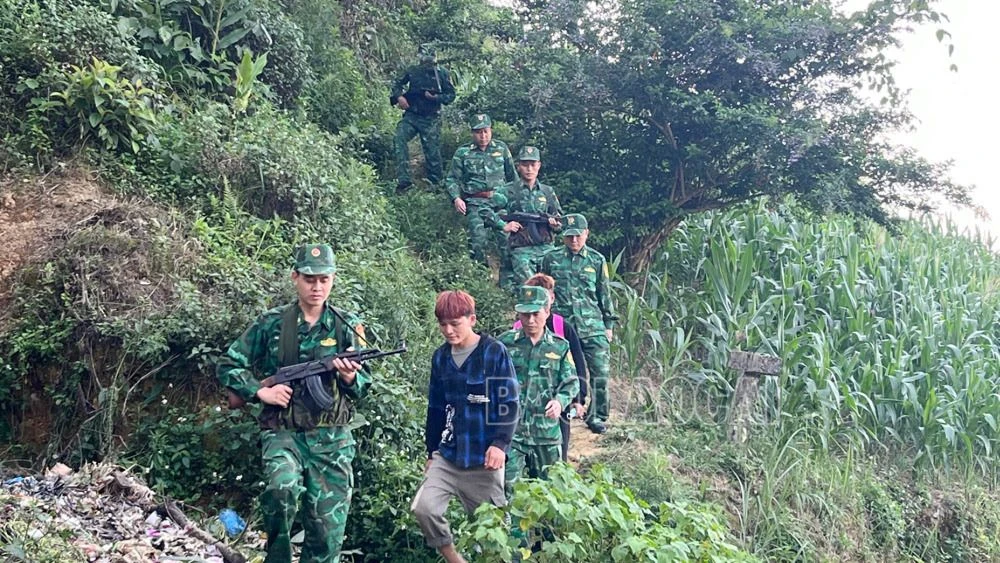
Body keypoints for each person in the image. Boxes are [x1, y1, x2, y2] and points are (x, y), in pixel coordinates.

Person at [217, 244, 369, 563]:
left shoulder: (346, 325)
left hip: (333, 441)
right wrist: (260, 393)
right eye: (310, 279)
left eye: (324, 280)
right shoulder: (273, 323)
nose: (317, 287)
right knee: (281, 488)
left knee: (327, 531)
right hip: (283, 433)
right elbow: (229, 364)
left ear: (333, 280)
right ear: (295, 278)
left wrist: (349, 378)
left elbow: (365, 386)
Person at [411, 290, 520, 563]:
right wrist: (430, 451)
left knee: (495, 535)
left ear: (472, 319)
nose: (448, 330)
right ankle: (454, 559)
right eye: (443, 324)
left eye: (455, 323)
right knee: (424, 508)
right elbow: (435, 408)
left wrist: (500, 444)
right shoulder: (440, 357)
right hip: (448, 455)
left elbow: (508, 402)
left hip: (484, 460)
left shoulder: (493, 352)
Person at [539, 214, 618, 434]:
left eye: (578, 236)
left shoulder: (596, 260)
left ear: (586, 234)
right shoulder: (551, 258)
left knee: (600, 371)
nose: (574, 240)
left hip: (592, 325)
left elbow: (604, 293)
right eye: (569, 236)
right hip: (562, 326)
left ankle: (597, 415)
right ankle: (559, 410)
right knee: (559, 371)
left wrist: (608, 324)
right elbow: (543, 291)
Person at [499, 285, 579, 498]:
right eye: (525, 314)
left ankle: (546, 533)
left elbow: (572, 382)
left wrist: (560, 402)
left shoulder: (560, 347)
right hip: (512, 433)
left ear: (547, 312)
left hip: (546, 434)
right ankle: (515, 532)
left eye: (535, 314)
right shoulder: (505, 344)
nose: (530, 320)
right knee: (508, 490)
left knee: (550, 495)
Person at [519, 273, 588, 461]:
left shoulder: (562, 327)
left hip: (556, 403)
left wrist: (578, 398)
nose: (531, 318)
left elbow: (577, 364)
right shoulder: (517, 329)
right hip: (523, 411)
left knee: (558, 455)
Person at [483, 145, 563, 288]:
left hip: (547, 248)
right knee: (530, 288)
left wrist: (555, 225)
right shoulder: (508, 191)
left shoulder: (547, 192)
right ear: (518, 166)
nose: (529, 169)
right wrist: (504, 225)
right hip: (522, 250)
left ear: (539, 166)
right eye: (525, 165)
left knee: (555, 287)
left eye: (533, 165)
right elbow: (485, 210)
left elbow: (560, 220)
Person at [444, 114, 516, 264]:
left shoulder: (501, 148)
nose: (483, 135)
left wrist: (515, 202)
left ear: (491, 131)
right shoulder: (463, 153)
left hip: (500, 203)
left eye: (486, 131)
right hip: (476, 203)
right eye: (478, 132)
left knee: (508, 241)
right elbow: (452, 179)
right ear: (472, 133)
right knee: (477, 242)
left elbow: (512, 178)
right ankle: (480, 277)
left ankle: (507, 281)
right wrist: (456, 198)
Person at [390, 44, 456, 192]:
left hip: (431, 118)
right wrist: (400, 97)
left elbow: (451, 95)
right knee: (399, 138)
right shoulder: (412, 71)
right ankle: (404, 182)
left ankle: (436, 186)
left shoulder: (442, 74)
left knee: (432, 153)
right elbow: (396, 83)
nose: (427, 63)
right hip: (412, 116)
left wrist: (435, 98)